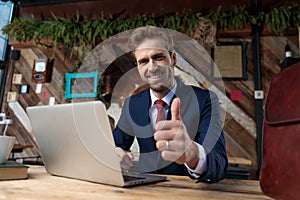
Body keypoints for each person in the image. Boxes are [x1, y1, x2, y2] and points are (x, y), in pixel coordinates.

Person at [113, 26, 228, 183]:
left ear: (173, 59)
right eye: (143, 61)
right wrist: (115, 154)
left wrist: (193, 154)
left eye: (158, 57)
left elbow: (219, 162)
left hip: (189, 193)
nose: (151, 67)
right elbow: (116, 144)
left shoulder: (205, 100)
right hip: (145, 192)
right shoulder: (132, 104)